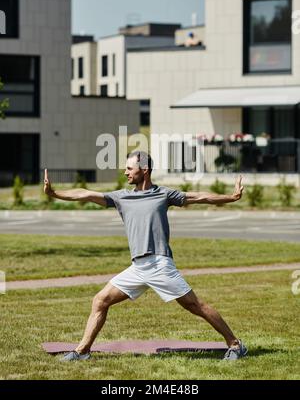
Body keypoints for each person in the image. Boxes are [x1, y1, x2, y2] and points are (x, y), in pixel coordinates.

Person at [43, 151, 247, 362]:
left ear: (145, 170)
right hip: (138, 267)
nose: (125, 172)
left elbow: (198, 196)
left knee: (195, 306)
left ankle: (235, 344)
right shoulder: (122, 197)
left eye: (130, 168)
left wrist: (231, 197)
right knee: (100, 300)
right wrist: (55, 193)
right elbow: (86, 194)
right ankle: (82, 351)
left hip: (159, 263)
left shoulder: (163, 194)